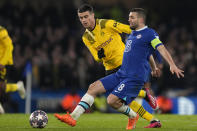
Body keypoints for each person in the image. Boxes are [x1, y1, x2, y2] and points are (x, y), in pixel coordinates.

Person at [55, 5, 170, 129]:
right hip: (110, 69)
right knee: (119, 100)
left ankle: (73, 117)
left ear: (93, 15)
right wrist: (99, 55)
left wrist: (142, 38)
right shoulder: (86, 37)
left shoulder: (107, 24)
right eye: (81, 18)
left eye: (86, 16)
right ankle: (147, 111)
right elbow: (96, 57)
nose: (84, 20)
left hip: (124, 65)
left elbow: (129, 29)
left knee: (116, 99)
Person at [0, 26, 26, 114]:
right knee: (1, 88)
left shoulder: (1, 31)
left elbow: (9, 46)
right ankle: (18, 86)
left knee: (2, 88)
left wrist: (3, 62)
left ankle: (18, 86)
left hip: (4, 62)